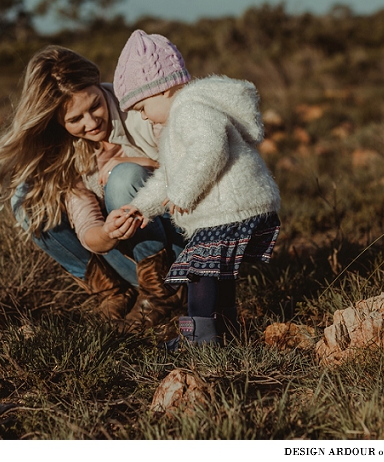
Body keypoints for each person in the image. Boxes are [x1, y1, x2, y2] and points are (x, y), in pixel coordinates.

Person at [0, 45, 185, 324]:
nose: (91, 122)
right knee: (27, 200)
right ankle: (114, 292)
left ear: (99, 85)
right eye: (75, 119)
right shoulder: (69, 153)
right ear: (57, 122)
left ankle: (164, 295)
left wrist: (139, 162)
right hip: (131, 261)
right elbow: (89, 232)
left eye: (95, 105)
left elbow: (197, 168)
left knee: (123, 176)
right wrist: (108, 233)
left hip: (182, 249)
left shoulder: (140, 107)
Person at [114, 30, 281, 346]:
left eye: (141, 107)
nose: (144, 118)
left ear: (163, 90)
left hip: (230, 208)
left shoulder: (189, 107)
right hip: (236, 207)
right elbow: (168, 176)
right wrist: (141, 208)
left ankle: (200, 340)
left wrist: (182, 193)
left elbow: (210, 147)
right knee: (219, 274)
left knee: (198, 271)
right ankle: (226, 332)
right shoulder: (180, 116)